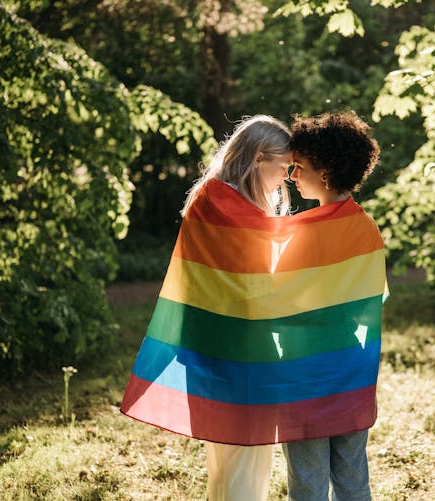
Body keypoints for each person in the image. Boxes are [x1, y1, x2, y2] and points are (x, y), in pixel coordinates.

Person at [121, 114, 293, 501]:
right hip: (242, 350)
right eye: (284, 167)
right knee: (248, 458)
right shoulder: (232, 208)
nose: (286, 177)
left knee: (227, 459)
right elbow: (258, 284)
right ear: (259, 158)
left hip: (204, 346)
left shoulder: (207, 197)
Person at [285, 110, 383, 501]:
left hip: (304, 371)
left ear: (324, 170)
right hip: (353, 370)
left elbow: (281, 304)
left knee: (307, 483)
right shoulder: (368, 228)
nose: (291, 176)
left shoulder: (299, 234)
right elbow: (368, 309)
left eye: (298, 167)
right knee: (353, 479)